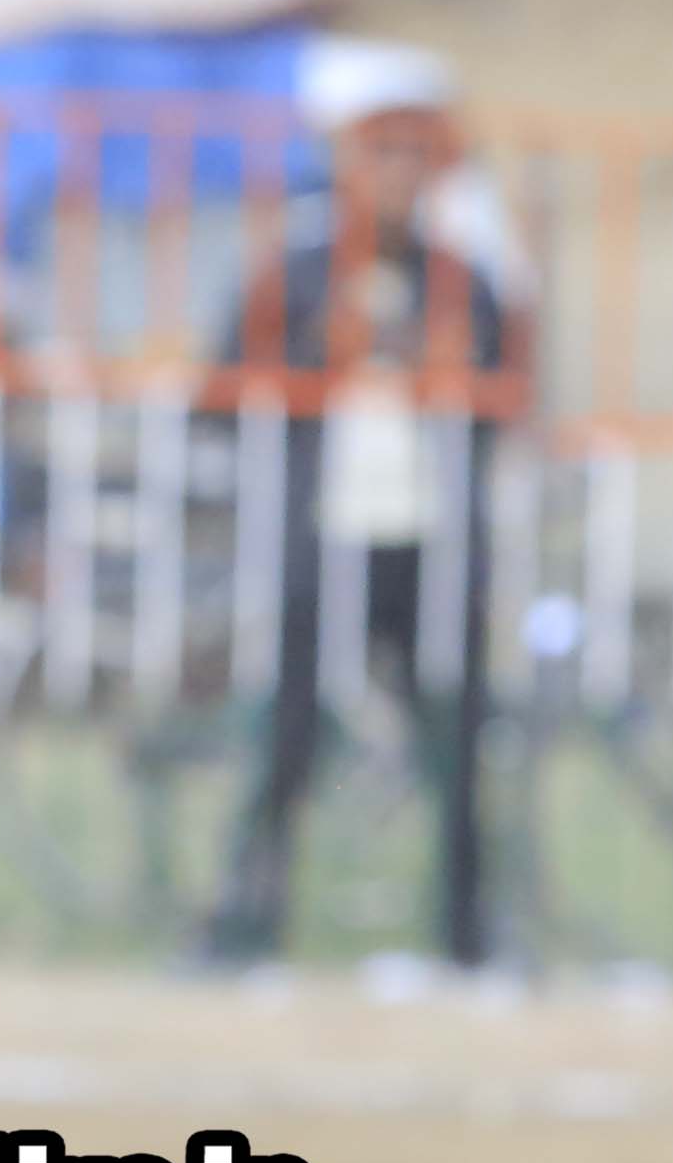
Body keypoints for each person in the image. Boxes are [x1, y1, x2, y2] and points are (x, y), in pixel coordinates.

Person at [198, 49, 528, 971]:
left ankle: (467, 935)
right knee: (287, 736)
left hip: (429, 542)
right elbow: (220, 392)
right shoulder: (296, 276)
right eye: (382, 152)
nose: (399, 173)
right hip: (323, 535)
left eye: (417, 154)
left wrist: (444, 373)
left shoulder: (464, 282)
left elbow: (509, 401)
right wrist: (318, 357)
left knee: (456, 741)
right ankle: (244, 921)